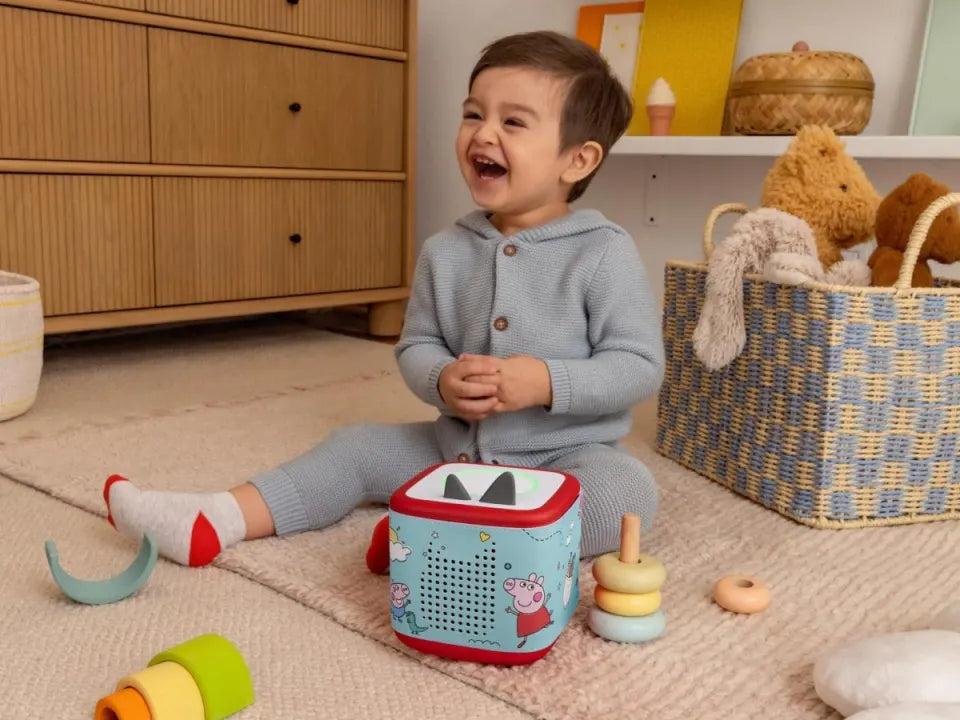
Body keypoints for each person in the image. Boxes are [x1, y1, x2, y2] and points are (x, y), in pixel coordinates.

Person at [103, 29, 665, 568]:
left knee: (626, 493)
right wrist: (442, 380)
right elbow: (417, 345)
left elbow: (637, 366)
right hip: (453, 451)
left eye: (513, 122)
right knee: (356, 447)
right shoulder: (446, 250)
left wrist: (545, 382)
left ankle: (438, 547)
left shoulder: (602, 251)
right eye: (474, 114)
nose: (483, 134)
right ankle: (216, 518)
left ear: (577, 160)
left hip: (562, 461)